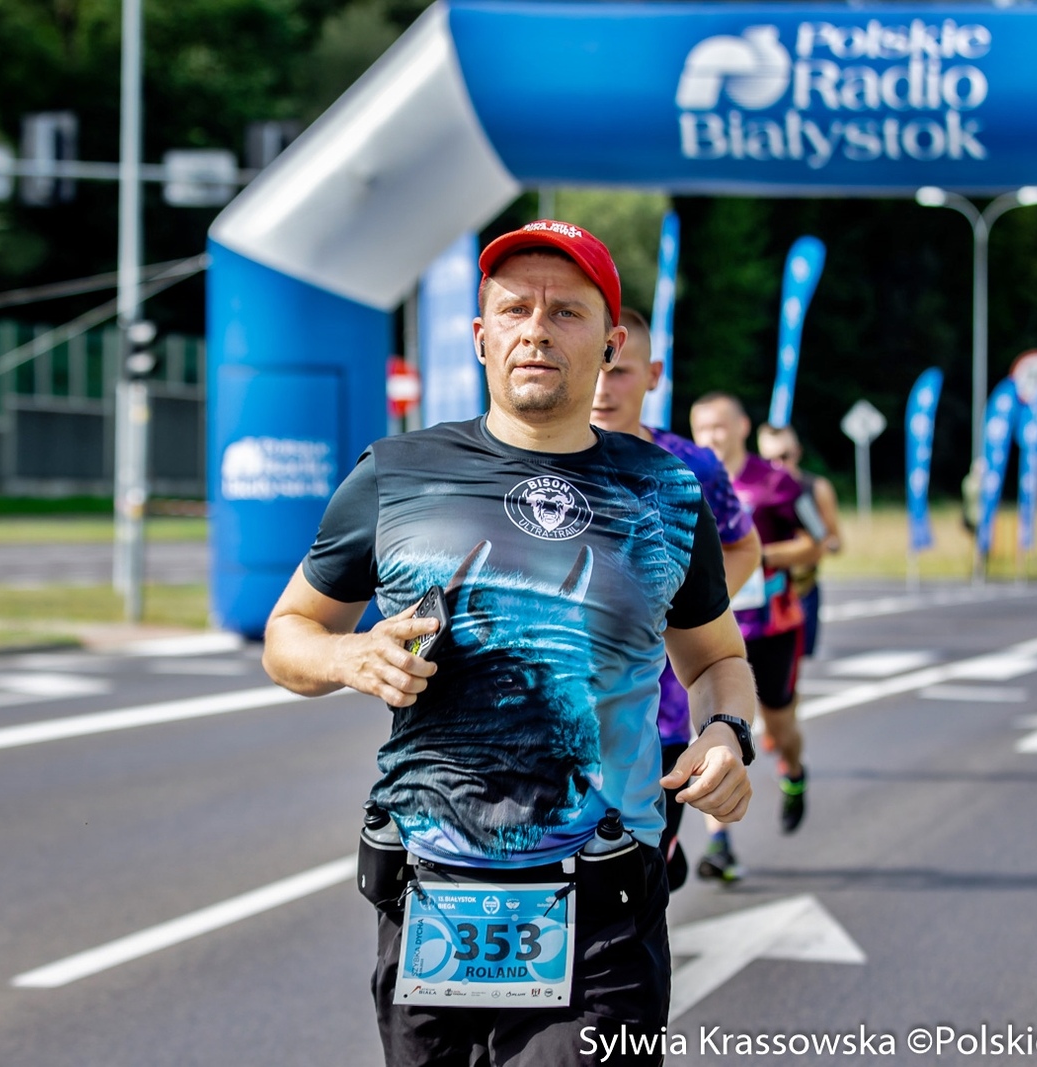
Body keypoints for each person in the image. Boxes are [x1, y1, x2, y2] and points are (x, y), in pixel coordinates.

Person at [262, 220, 758, 1066]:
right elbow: (288, 634)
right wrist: (346, 656)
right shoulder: (396, 472)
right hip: (432, 896)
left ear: (611, 344)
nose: (536, 330)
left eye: (566, 312)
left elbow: (717, 659)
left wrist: (725, 732)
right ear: (481, 336)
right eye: (514, 309)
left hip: (604, 899)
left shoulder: (666, 493)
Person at [590, 306, 761, 892]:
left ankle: (663, 858)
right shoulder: (537, 461)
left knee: (637, 880)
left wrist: (679, 615)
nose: (602, 388)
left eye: (619, 371)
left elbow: (744, 546)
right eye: (596, 368)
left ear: (653, 374)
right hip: (562, 716)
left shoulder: (690, 468)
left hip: (658, 713)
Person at [690, 391, 824, 880]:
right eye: (702, 428)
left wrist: (758, 555)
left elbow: (818, 541)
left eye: (720, 426)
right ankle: (719, 845)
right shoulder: (685, 479)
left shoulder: (778, 482)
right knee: (710, 729)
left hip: (771, 626)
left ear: (743, 427)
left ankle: (794, 771)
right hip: (709, 627)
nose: (712, 437)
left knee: (780, 728)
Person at [758, 422, 842, 658]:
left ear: (797, 452)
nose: (779, 465)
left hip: (802, 587)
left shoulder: (812, 488)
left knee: (797, 660)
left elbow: (831, 539)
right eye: (770, 460)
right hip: (765, 588)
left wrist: (811, 547)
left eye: (785, 457)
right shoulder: (757, 491)